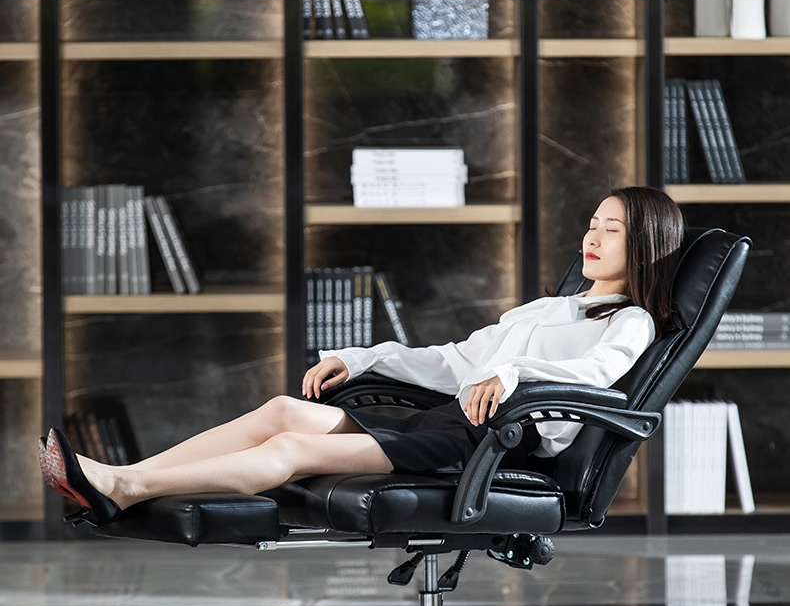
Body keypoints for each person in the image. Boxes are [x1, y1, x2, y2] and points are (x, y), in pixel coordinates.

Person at [39, 185, 685, 527]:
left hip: (487, 445)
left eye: (612, 229)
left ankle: (128, 488)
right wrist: (364, 359)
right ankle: (121, 476)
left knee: (291, 451)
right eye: (592, 224)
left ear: (646, 245)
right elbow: (453, 361)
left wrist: (514, 373)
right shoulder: (546, 309)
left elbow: (596, 377)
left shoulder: (629, 321)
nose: (592, 237)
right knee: (283, 411)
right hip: (445, 422)